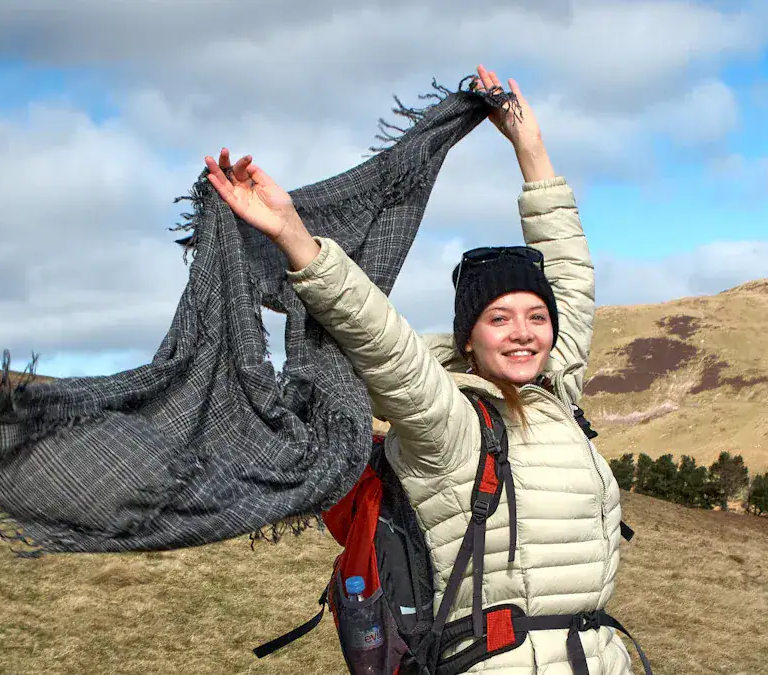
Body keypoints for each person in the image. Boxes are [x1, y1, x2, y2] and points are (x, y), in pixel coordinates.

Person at [205, 65, 631, 675]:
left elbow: (570, 273)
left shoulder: (555, 393)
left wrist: (529, 148)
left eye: (536, 317)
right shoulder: (451, 423)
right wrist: (296, 237)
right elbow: (383, 340)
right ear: (469, 338)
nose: (523, 333)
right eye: (500, 319)